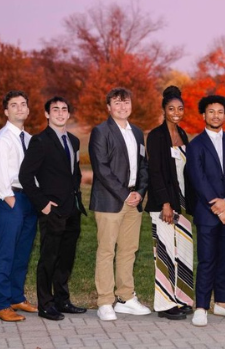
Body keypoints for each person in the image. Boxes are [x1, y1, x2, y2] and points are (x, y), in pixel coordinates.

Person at [19, 96, 88, 321]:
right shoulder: (40, 141)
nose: (60, 113)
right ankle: (45, 304)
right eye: (55, 109)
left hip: (72, 209)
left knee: (66, 258)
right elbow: (25, 176)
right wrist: (43, 204)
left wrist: (76, 196)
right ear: (47, 114)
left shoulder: (74, 141)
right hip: (52, 210)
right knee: (49, 258)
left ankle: (62, 299)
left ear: (69, 114)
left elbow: (74, 172)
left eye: (64, 109)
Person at [88, 87, 151, 322]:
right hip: (110, 201)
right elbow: (101, 169)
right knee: (106, 251)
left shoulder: (137, 132)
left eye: (126, 103)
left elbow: (144, 165)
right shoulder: (100, 132)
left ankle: (125, 298)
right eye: (117, 103)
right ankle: (105, 301)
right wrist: (125, 194)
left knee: (128, 250)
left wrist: (140, 192)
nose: (122, 107)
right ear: (108, 107)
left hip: (133, 201)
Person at [186, 95, 225, 327]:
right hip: (207, 214)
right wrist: (218, 206)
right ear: (203, 115)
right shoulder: (196, 145)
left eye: (220, 111)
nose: (215, 116)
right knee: (207, 260)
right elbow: (198, 179)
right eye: (211, 111)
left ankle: (221, 304)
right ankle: (201, 306)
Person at [0, 91, 38, 322]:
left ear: (27, 109)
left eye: (23, 104)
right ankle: (1, 304)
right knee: (6, 251)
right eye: (13, 105)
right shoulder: (1, 138)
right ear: (6, 111)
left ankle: (16, 297)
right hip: (11, 199)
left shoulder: (29, 138)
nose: (19, 108)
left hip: (29, 200)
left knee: (22, 251)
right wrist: (8, 197)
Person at [145, 86, 195, 321]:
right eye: (171, 108)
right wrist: (166, 203)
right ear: (164, 110)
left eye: (180, 109)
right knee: (165, 253)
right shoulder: (156, 136)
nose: (176, 112)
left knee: (183, 251)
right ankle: (164, 304)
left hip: (183, 204)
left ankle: (182, 298)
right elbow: (155, 172)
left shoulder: (183, 134)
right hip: (164, 204)